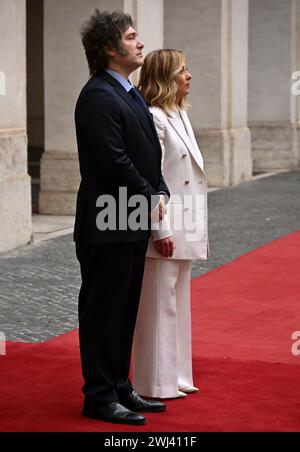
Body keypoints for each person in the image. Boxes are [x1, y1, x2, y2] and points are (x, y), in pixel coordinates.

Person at [74, 11, 171, 425]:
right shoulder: (98, 95)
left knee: (126, 307)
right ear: (111, 49)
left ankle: (119, 385)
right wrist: (150, 194)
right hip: (106, 219)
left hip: (129, 215)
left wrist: (160, 188)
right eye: (132, 38)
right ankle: (98, 395)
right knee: (103, 310)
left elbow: (147, 149)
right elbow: (113, 159)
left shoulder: (129, 92)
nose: (141, 43)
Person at [132, 49, 209, 399]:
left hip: (188, 220)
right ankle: (155, 382)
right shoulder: (154, 117)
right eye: (182, 71)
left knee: (179, 299)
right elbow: (151, 176)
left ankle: (177, 374)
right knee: (159, 302)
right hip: (165, 222)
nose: (188, 75)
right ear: (165, 78)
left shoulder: (177, 112)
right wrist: (159, 229)